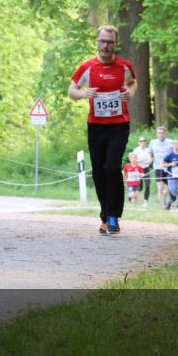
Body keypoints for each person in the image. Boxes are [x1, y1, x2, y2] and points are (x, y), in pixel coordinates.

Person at [68, 25, 137, 235]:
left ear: (115, 44)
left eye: (110, 42)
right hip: (96, 126)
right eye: (102, 41)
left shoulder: (125, 66)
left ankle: (114, 216)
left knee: (112, 167)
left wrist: (130, 93)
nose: (106, 46)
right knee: (98, 172)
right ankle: (105, 215)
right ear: (97, 42)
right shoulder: (87, 67)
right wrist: (84, 94)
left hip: (119, 125)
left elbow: (132, 82)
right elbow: (71, 90)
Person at [149, 126, 174, 209]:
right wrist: (150, 159)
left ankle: (167, 201)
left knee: (168, 189)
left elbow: (174, 154)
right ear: (157, 134)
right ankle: (163, 205)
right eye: (159, 133)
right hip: (158, 167)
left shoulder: (171, 142)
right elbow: (150, 153)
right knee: (160, 188)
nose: (161, 134)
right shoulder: (152, 142)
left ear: (165, 134)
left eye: (162, 133)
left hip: (168, 167)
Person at [130, 136, 154, 206]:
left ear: (145, 142)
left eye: (144, 141)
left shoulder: (148, 150)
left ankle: (145, 201)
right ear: (138, 142)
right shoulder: (136, 150)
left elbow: (150, 160)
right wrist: (142, 159)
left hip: (146, 169)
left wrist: (149, 160)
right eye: (141, 141)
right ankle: (132, 196)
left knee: (147, 185)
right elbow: (133, 161)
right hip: (138, 170)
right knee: (139, 187)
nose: (142, 142)